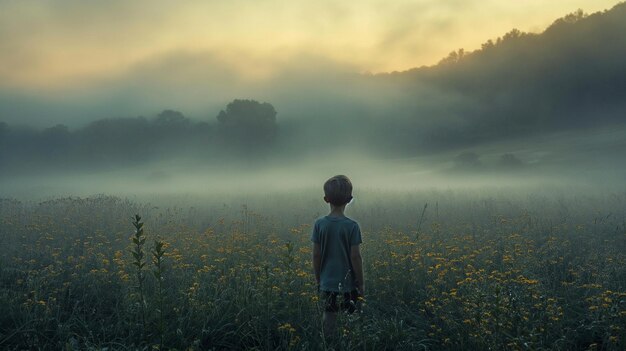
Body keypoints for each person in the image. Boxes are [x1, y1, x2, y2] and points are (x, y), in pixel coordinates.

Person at [311, 175, 364, 337]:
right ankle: (348, 342)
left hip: (327, 282)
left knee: (329, 315)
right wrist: (360, 283)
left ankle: (329, 343)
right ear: (349, 199)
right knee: (351, 317)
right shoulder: (352, 226)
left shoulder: (319, 224)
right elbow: (355, 257)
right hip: (349, 284)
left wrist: (318, 279)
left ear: (326, 199)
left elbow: (316, 255)